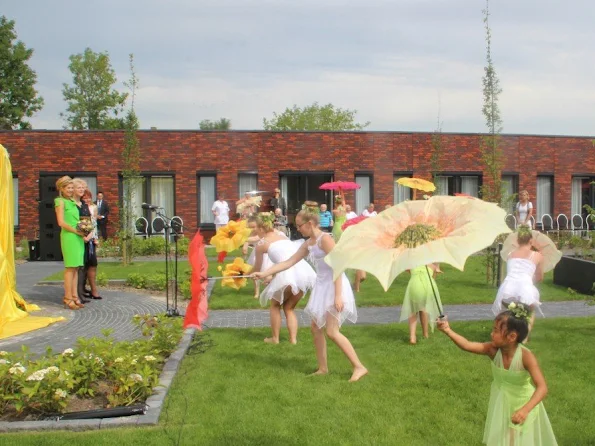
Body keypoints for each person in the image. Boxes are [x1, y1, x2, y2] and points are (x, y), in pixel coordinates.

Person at [253, 203, 367, 382]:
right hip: (322, 286)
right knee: (316, 328)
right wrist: (264, 273)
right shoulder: (309, 243)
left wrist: (338, 295)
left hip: (335, 285)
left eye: (299, 225)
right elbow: (288, 262)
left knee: (332, 331)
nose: (297, 228)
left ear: (310, 224)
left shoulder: (325, 239)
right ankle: (323, 368)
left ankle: (359, 366)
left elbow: (338, 265)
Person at [437, 304, 557, 445]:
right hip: (503, 403)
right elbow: (467, 345)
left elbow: (542, 387)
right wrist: (447, 330)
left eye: (496, 331)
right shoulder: (492, 350)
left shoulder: (526, 357)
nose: (491, 334)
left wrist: (525, 410)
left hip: (524, 404)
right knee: (503, 440)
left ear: (512, 336)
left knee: (510, 441)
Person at [253, 212, 316, 344]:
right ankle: (293, 340)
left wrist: (241, 273)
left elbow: (257, 268)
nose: (254, 231)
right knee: (289, 308)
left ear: (260, 228)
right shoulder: (282, 236)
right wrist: (271, 275)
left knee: (275, 306)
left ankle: (275, 338)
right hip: (304, 274)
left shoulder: (261, 244)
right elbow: (284, 259)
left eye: (254, 228)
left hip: (288, 274)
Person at [492, 226, 544, 338]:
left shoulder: (511, 254)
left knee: (511, 312)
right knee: (530, 312)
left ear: (517, 240)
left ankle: (506, 334)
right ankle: (524, 338)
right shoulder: (537, 255)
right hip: (524, 289)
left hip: (507, 290)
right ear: (531, 240)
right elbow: (540, 277)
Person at [54, 176, 92, 310]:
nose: (70, 190)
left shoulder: (72, 202)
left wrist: (84, 230)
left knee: (76, 268)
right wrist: (77, 231)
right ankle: (67, 298)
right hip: (69, 236)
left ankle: (75, 297)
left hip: (78, 237)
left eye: (71, 188)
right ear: (61, 189)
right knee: (70, 268)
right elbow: (61, 222)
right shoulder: (60, 201)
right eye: (68, 188)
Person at [400, 264, 442, 344]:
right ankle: (425, 334)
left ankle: (412, 337)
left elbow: (407, 269)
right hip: (428, 286)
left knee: (413, 310)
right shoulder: (433, 262)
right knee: (423, 309)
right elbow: (433, 277)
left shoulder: (412, 260)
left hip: (414, 285)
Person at [81, 189, 102, 300]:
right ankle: (81, 289)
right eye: (84, 198)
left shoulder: (93, 207)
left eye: (88, 197)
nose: (87, 200)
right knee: (83, 265)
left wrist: (95, 238)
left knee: (92, 263)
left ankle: (94, 290)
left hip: (91, 239)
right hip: (82, 238)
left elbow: (94, 224)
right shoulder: (79, 207)